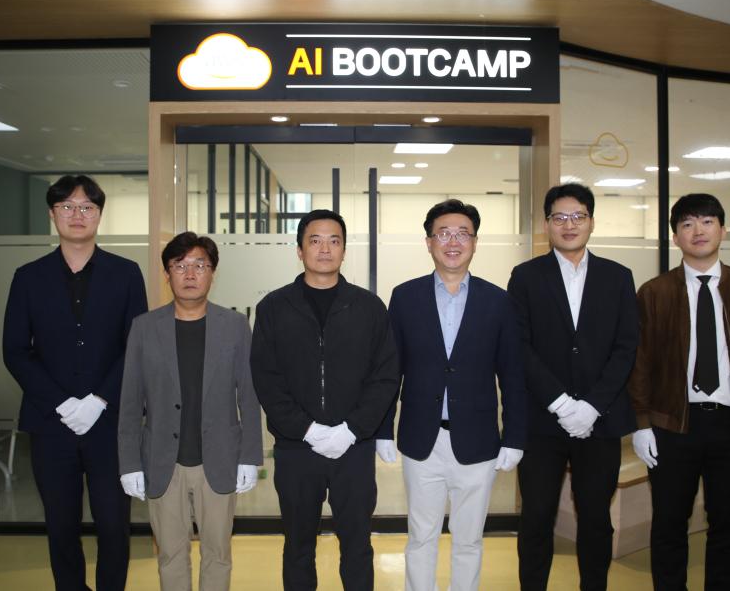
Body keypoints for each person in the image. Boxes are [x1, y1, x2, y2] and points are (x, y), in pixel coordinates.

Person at [629, 193, 730, 591]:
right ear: (675, 237)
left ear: (723, 230)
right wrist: (642, 423)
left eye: (706, 221)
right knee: (668, 525)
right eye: (686, 224)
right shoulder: (654, 292)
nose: (697, 231)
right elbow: (640, 363)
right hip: (672, 427)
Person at [3, 174, 147, 591]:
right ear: (53, 215)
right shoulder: (28, 277)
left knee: (114, 525)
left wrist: (99, 399)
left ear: (99, 215)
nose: (77, 214)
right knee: (61, 525)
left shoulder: (126, 273)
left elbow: (136, 345)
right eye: (67, 206)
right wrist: (62, 403)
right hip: (51, 425)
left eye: (87, 207)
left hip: (110, 424)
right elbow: (15, 350)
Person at [378, 199, 527, 591]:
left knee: (469, 540)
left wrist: (514, 437)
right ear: (429, 242)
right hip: (421, 440)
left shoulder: (498, 301)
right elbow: (390, 370)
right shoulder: (405, 297)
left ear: (475, 242)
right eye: (443, 233)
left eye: (463, 234)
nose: (453, 242)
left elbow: (513, 375)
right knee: (421, 536)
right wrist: (382, 429)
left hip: (478, 442)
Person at [250, 209, 399, 591]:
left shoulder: (368, 307)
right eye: (315, 241)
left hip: (354, 449)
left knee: (357, 546)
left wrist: (352, 430)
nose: (325, 249)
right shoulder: (274, 308)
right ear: (300, 250)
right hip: (297, 449)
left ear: (344, 250)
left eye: (334, 241)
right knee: (298, 546)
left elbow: (385, 376)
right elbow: (266, 378)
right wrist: (307, 429)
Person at [507, 183, 638, 591]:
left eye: (578, 216)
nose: (569, 224)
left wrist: (592, 406)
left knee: (596, 518)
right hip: (542, 423)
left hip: (600, 423)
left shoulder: (618, 277)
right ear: (547, 224)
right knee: (536, 518)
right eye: (559, 217)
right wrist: (562, 404)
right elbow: (519, 346)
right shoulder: (526, 276)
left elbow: (626, 347)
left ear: (591, 221)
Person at [117, 232, 263, 591]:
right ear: (167, 273)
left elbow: (249, 395)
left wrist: (250, 457)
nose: (190, 274)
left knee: (218, 553)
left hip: (219, 458)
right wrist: (129, 463)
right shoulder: (144, 328)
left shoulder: (234, 327)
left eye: (200, 265)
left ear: (213, 272)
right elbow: (130, 400)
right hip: (163, 461)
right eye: (180, 265)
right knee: (170, 554)